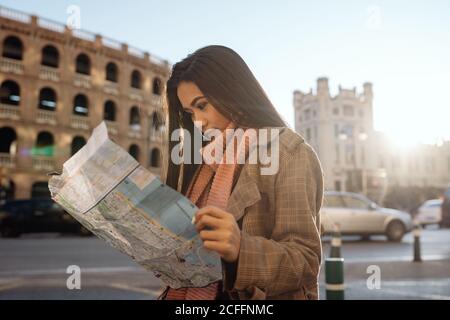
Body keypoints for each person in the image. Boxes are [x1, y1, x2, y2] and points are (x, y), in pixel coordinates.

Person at [158, 45, 324, 300]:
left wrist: (240, 249)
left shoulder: (289, 153)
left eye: (202, 105)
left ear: (231, 91)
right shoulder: (206, 159)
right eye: (190, 113)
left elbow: (305, 263)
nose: (198, 123)